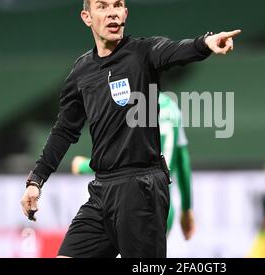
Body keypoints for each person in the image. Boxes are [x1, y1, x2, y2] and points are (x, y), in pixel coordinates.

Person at [19, 0, 240, 258]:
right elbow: (64, 130)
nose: (112, 12)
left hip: (142, 188)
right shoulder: (81, 71)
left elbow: (176, 50)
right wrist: (36, 181)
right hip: (101, 192)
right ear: (87, 17)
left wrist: (206, 43)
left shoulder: (143, 53)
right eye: (102, 6)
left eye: (118, 5)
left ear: (125, 14)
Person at [71, 92, 195, 240]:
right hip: (163, 205)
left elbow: (119, 157)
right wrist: (187, 209)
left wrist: (83, 166)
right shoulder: (172, 107)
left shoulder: (129, 106)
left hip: (131, 202)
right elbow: (182, 160)